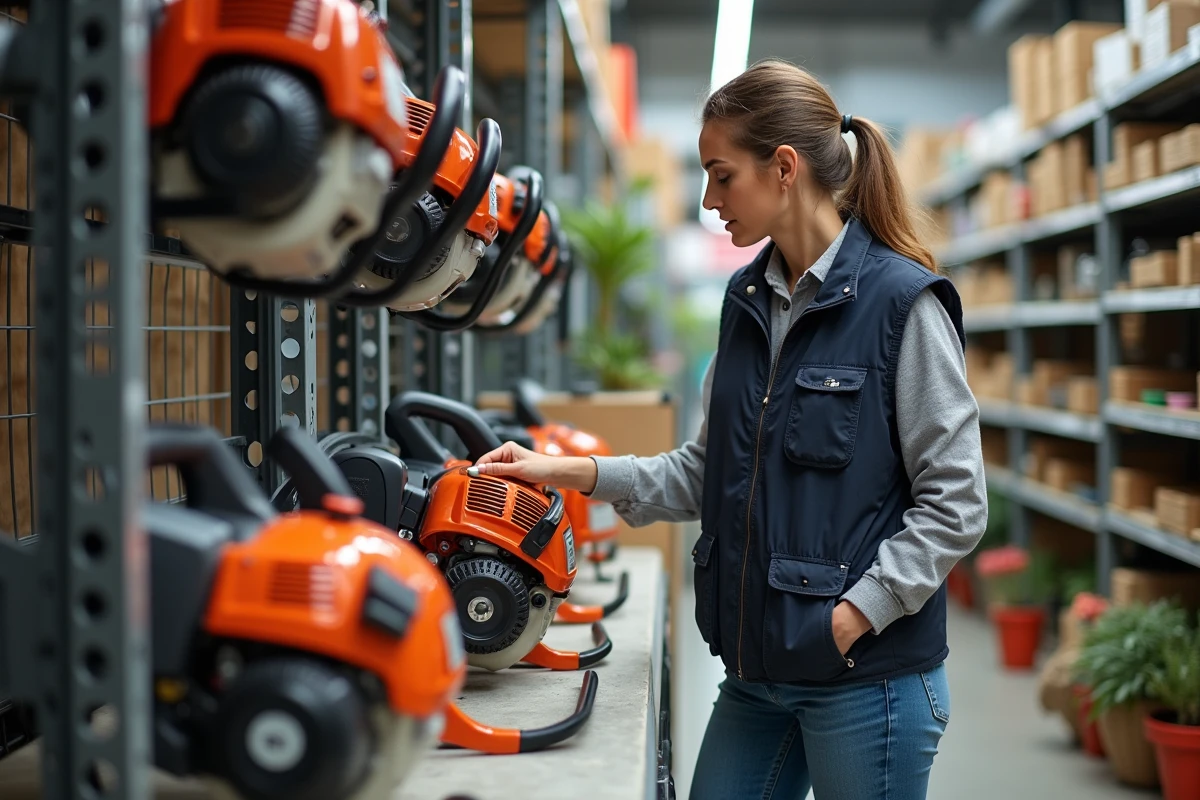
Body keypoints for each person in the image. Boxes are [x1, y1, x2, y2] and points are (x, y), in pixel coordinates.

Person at [473, 59, 987, 800]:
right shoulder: (747, 301)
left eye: (721, 175)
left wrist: (853, 616)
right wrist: (570, 472)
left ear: (784, 168)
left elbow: (957, 503)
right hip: (758, 672)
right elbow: (708, 470)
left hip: (864, 681)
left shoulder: (903, 306)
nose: (709, 199)